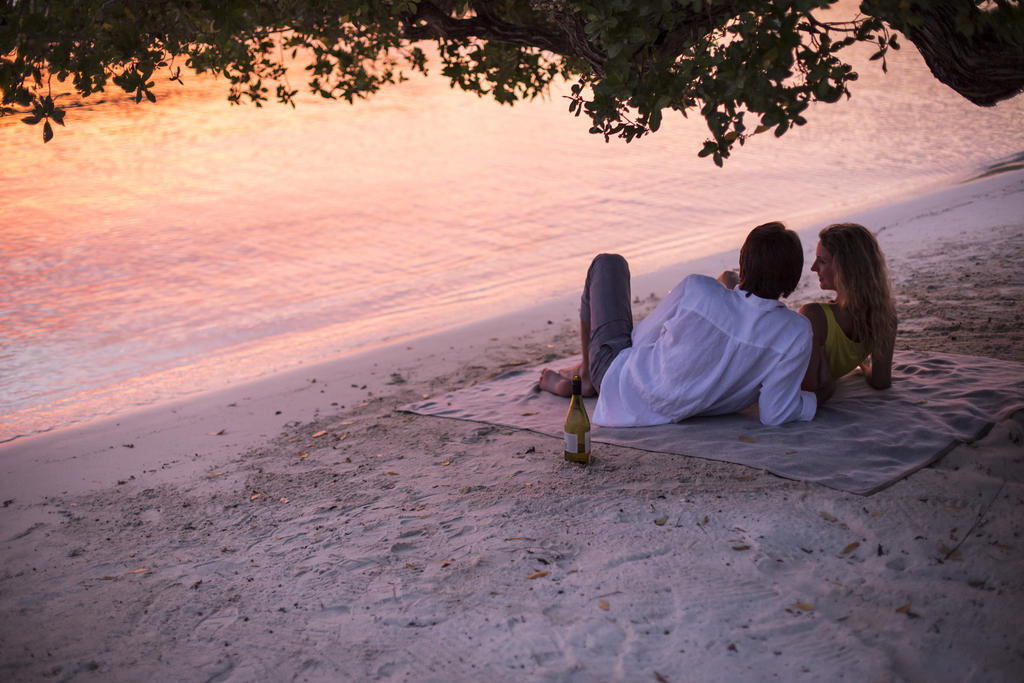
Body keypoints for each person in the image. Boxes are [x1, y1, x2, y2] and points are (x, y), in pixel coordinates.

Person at [539, 222, 819, 427]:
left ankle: (588, 376)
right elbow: (775, 413)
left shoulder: (698, 289)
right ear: (792, 278)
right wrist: (811, 403)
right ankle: (584, 371)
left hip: (621, 383)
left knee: (608, 263)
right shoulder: (795, 331)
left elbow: (639, 339)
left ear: (743, 262)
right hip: (695, 410)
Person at [798, 223, 897, 404]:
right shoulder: (884, 317)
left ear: (845, 268)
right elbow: (881, 381)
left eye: (822, 261)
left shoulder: (815, 316)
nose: (813, 268)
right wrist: (863, 363)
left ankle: (731, 282)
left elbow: (808, 389)